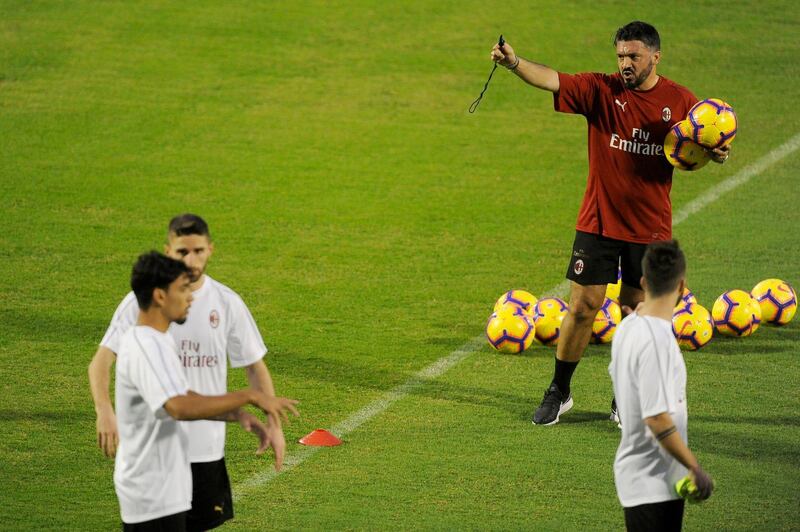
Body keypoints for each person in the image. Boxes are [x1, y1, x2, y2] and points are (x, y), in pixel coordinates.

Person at [490, 21, 731, 425]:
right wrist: (514, 62)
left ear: (655, 56)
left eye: (633, 56)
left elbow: (697, 148)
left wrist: (715, 152)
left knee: (636, 313)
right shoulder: (601, 91)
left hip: (650, 228)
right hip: (598, 221)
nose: (625, 64)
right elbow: (553, 80)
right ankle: (559, 390)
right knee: (582, 307)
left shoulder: (681, 101)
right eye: (620, 56)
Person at [89, 214, 285, 531]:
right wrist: (249, 397)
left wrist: (239, 415)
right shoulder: (145, 340)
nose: (190, 296)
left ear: (210, 249)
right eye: (182, 289)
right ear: (160, 295)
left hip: (178, 468)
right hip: (152, 483)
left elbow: (182, 394)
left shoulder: (163, 336)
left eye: (198, 251)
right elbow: (179, 406)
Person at [609, 240, 713, 531]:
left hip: (647, 478)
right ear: (682, 287)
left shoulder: (628, 326)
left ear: (643, 281)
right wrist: (694, 466)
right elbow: (656, 418)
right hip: (652, 482)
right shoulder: (657, 342)